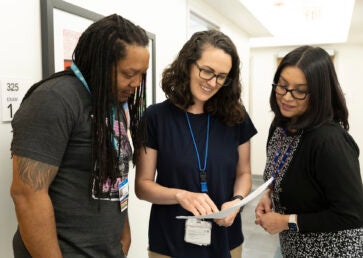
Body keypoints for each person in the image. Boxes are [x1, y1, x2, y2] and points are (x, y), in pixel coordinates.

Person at [10, 14, 150, 258]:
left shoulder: (111, 101)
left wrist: (123, 235)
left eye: (142, 74)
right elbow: (27, 194)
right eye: (129, 74)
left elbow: (115, 174)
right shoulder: (54, 99)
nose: (137, 83)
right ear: (101, 64)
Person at [135, 30, 257, 258]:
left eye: (222, 76)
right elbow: (142, 186)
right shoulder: (156, 117)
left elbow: (244, 173)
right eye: (207, 71)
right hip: (169, 243)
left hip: (225, 240)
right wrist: (180, 195)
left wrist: (237, 201)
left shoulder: (236, 116)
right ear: (188, 64)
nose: (213, 83)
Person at [255, 45, 363, 257]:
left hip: (333, 250)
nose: (287, 97)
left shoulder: (328, 141)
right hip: (294, 248)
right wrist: (268, 194)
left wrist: (287, 222)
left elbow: (352, 214)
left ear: (318, 94)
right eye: (282, 86)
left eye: (300, 91)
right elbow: (278, 174)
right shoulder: (280, 126)